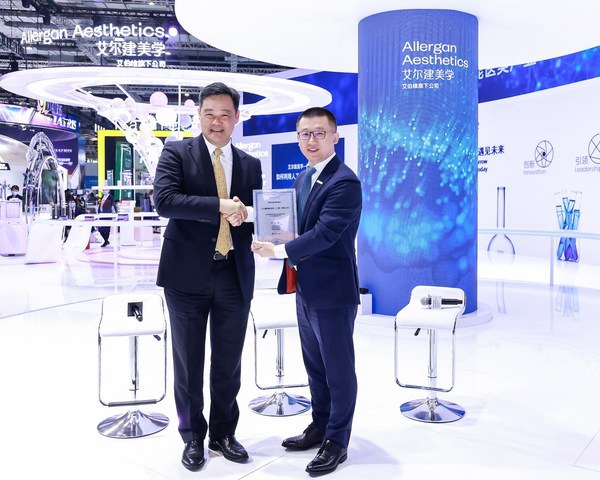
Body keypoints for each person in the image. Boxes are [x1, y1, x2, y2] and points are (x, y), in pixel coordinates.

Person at [153, 82, 263, 471]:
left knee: (228, 363)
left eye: (225, 115)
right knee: (188, 363)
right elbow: (165, 201)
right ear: (198, 115)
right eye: (210, 114)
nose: (217, 122)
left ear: (237, 118)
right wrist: (220, 205)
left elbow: (255, 215)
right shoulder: (177, 152)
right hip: (186, 277)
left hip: (234, 273)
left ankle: (223, 433)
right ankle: (192, 437)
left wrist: (251, 216)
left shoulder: (250, 164)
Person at [252, 107, 362, 475]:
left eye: (319, 133)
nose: (311, 140)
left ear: (335, 137)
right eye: (304, 134)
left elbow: (325, 234)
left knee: (338, 369)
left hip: (333, 291)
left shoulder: (344, 182)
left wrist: (277, 250)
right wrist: (257, 223)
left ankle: (337, 441)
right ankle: (320, 425)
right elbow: (291, 223)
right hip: (306, 288)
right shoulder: (304, 177)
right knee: (315, 366)